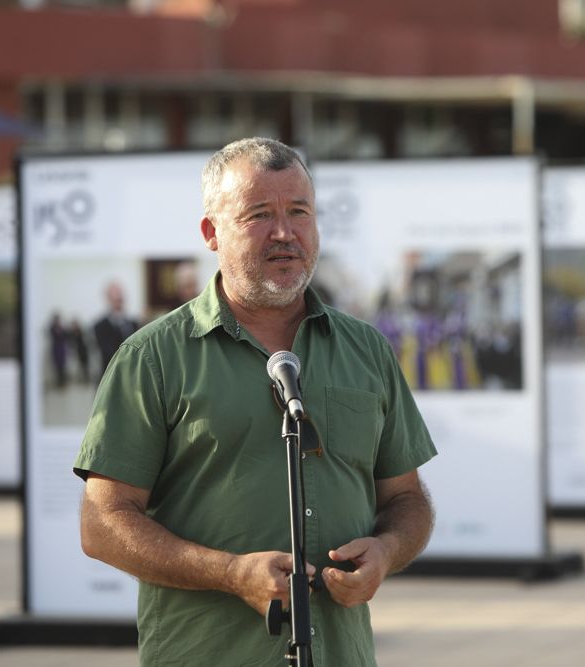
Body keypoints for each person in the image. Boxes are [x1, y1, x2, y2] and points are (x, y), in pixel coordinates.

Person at [74, 137, 437, 666]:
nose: (284, 232)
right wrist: (230, 573)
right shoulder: (151, 358)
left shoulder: (366, 351)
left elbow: (408, 500)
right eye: (259, 214)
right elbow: (101, 524)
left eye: (299, 212)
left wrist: (386, 551)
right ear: (211, 233)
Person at [92, 280, 140, 379]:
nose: (119, 300)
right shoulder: (100, 326)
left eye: (120, 298)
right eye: (115, 298)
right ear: (108, 299)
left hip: (132, 375)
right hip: (110, 376)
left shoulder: (133, 323)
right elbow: (108, 352)